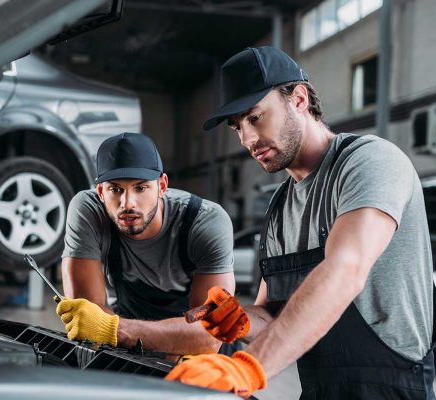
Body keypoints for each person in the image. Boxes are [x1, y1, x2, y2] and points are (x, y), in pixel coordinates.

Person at [166, 46, 435, 399]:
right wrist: (242, 320)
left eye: (255, 117)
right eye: (237, 127)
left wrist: (249, 366)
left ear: (299, 99)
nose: (247, 139)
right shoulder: (280, 206)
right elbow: (271, 313)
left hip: (391, 389)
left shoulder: (369, 161)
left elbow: (345, 268)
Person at [56, 132, 236, 355]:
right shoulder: (89, 211)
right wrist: (118, 331)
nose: (127, 204)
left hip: (202, 356)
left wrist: (115, 329)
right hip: (131, 343)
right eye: (115, 189)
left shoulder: (206, 221)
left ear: (162, 186)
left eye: (140, 188)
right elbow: (90, 320)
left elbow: (209, 335)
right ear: (101, 191)